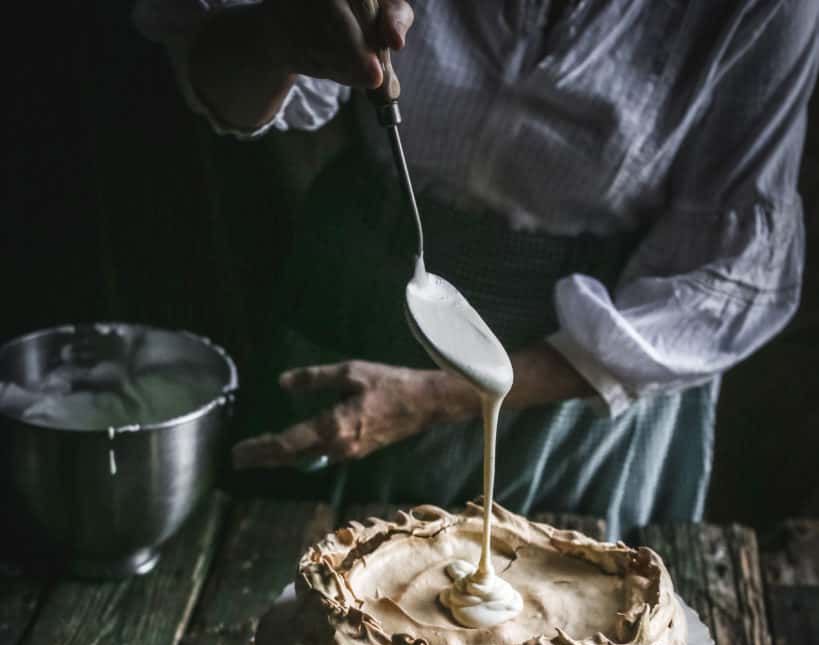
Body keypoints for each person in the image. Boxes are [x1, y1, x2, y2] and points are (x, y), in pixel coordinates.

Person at [134, 0, 818, 539]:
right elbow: (219, 81)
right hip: (358, 284)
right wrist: (278, 36)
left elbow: (723, 280)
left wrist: (436, 395)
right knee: (299, 595)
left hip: (573, 372)